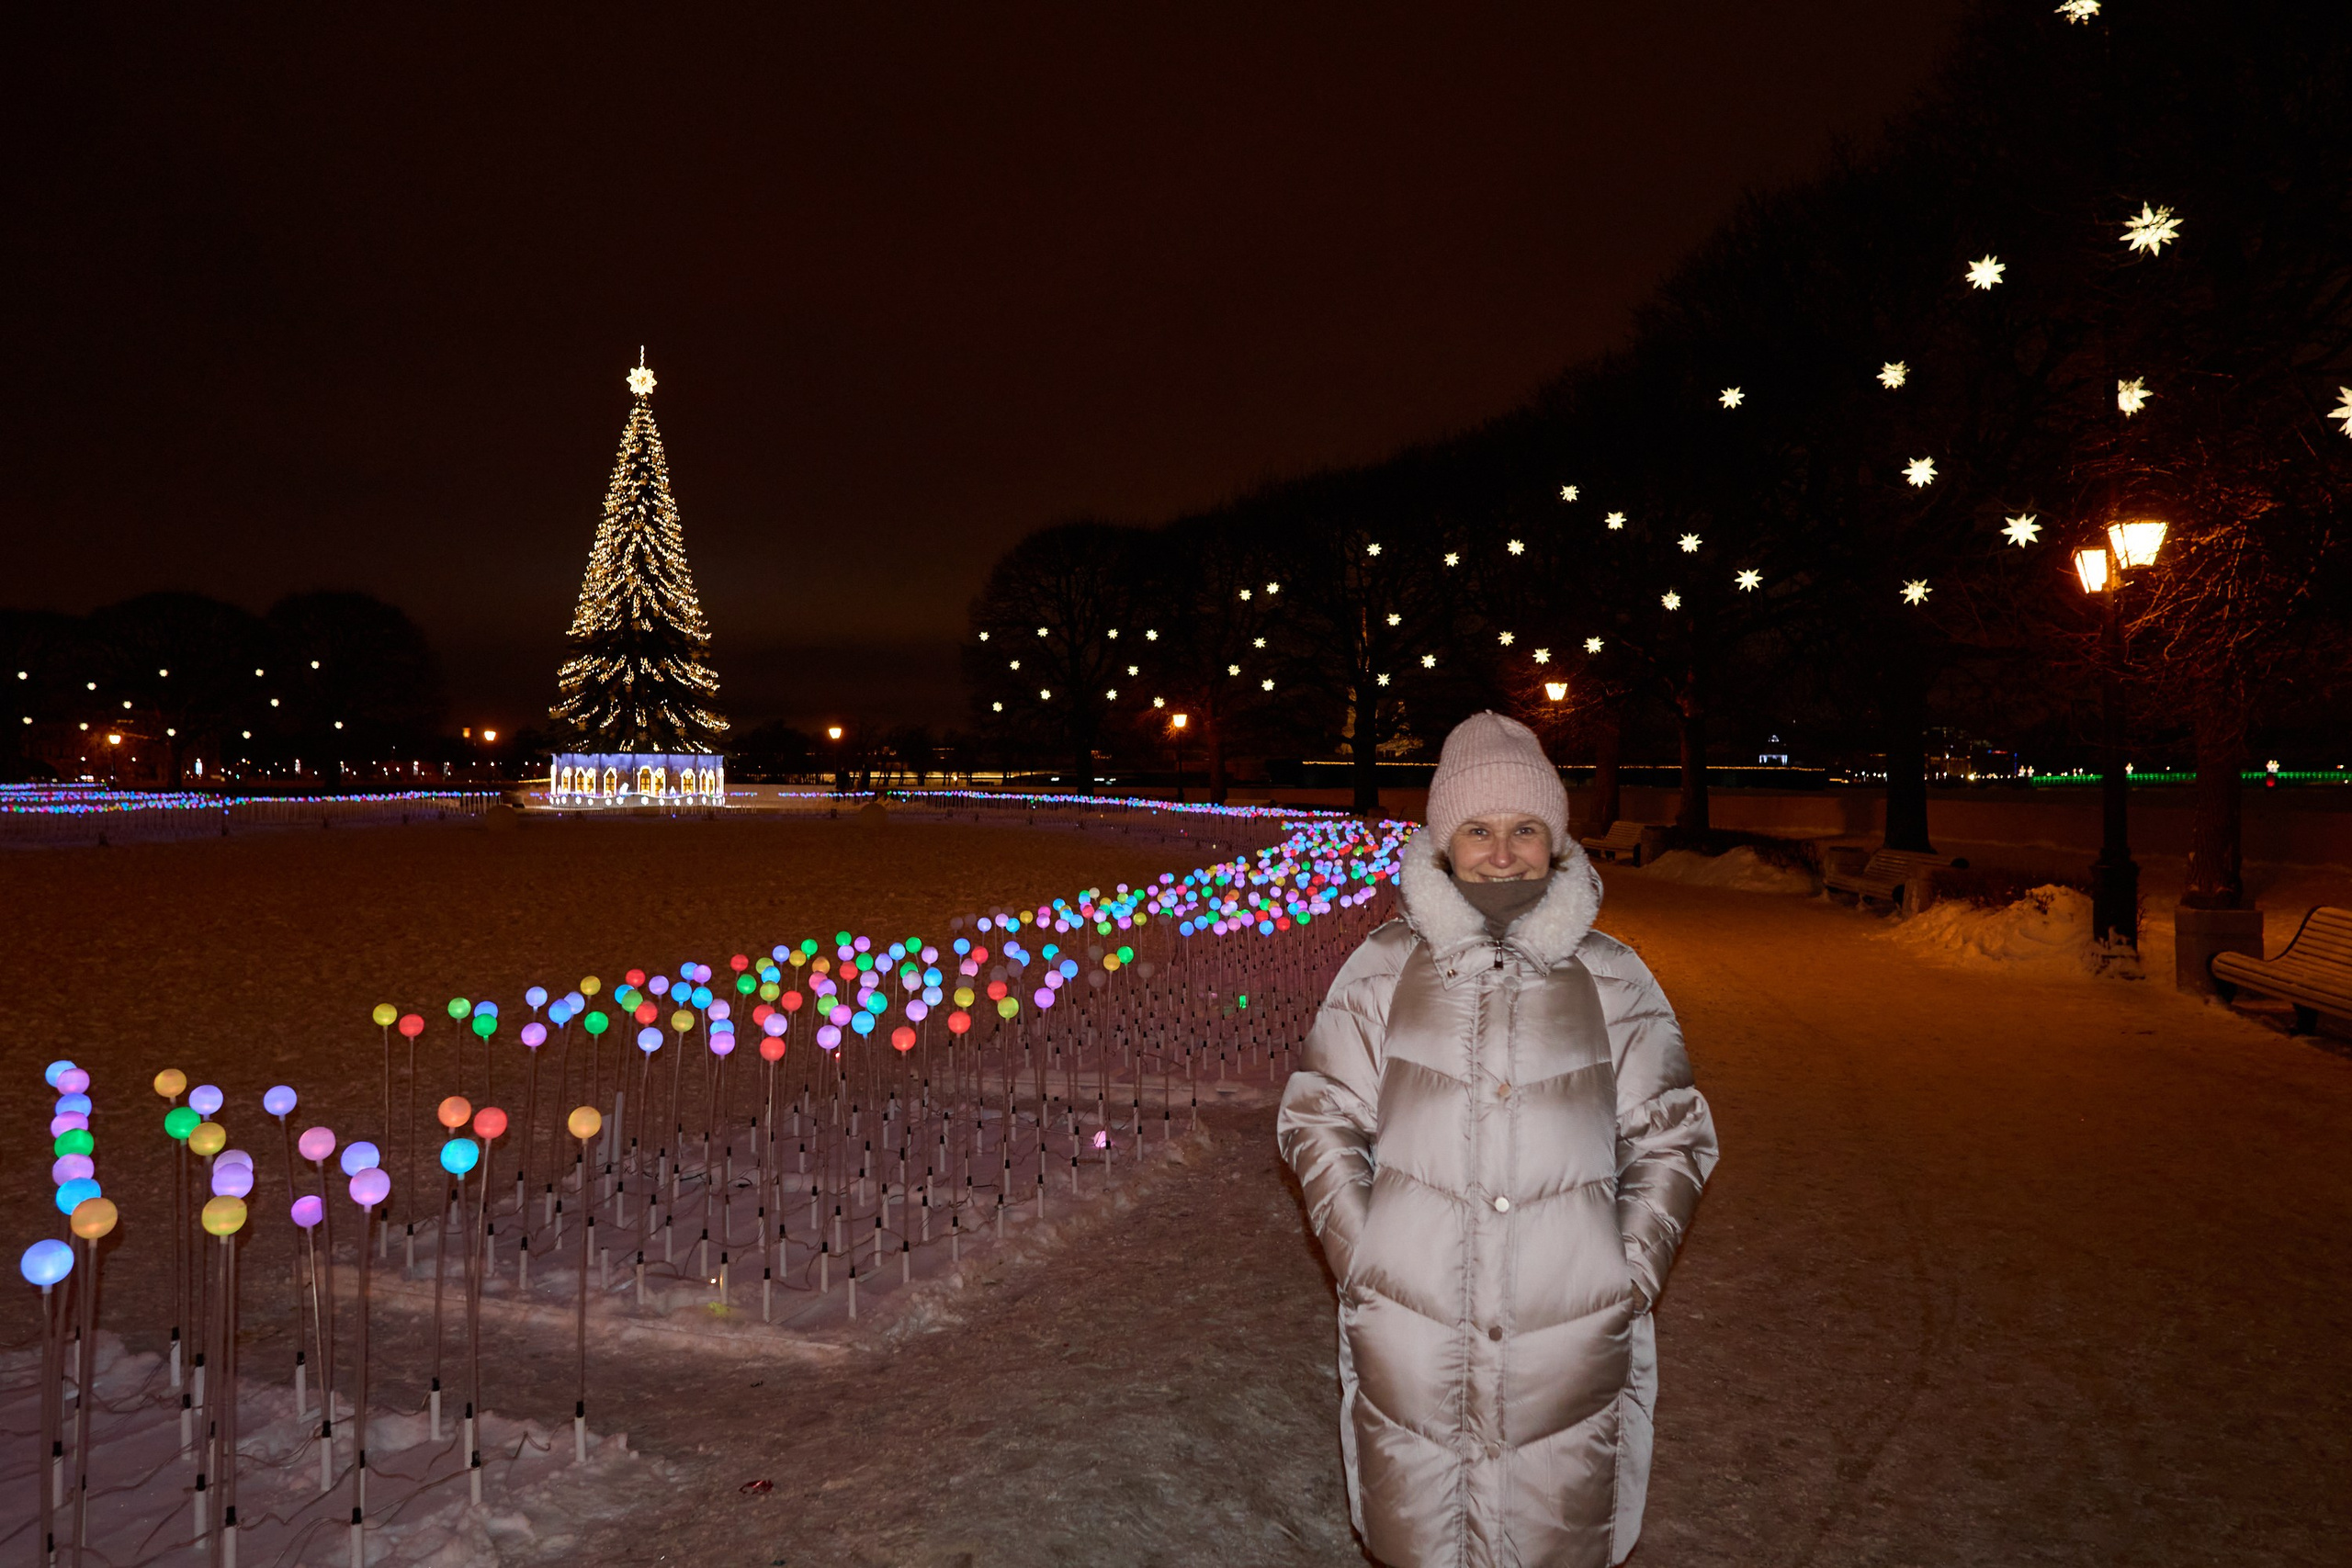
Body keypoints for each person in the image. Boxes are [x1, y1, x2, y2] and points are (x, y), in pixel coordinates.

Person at [1277, 711, 1718, 1568]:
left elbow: (1671, 1135)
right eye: (1478, 830)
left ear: (1555, 842)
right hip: (1418, 1329)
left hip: (1566, 1335)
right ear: (1444, 843)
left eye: (1525, 830)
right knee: (1425, 1530)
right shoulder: (1383, 968)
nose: (1503, 851)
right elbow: (1320, 1115)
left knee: (1554, 1529)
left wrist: (1623, 1271)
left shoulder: (1613, 977)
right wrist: (1365, 1251)